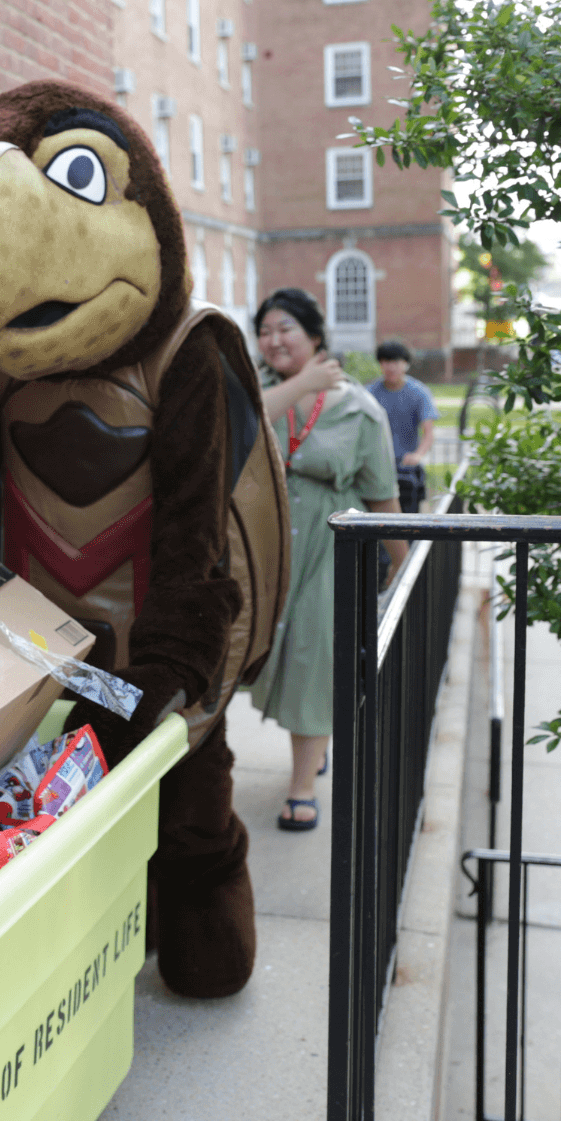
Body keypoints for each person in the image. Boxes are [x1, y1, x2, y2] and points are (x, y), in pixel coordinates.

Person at [249, 289, 405, 832]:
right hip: (264, 547)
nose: (273, 339)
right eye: (265, 329)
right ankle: (312, 752)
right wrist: (302, 385)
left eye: (285, 327)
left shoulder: (362, 411)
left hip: (329, 547)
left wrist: (404, 562)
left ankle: (301, 785)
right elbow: (239, 424)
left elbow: (382, 492)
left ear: (316, 335)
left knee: (313, 663)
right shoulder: (256, 389)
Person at [367, 339, 440, 513]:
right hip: (376, 466)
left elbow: (428, 433)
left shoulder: (419, 392)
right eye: (386, 362)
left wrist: (417, 455)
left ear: (405, 364)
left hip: (406, 467)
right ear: (380, 364)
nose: (391, 367)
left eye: (396, 362)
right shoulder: (369, 393)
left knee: (408, 519)